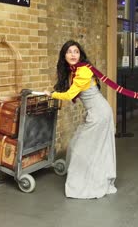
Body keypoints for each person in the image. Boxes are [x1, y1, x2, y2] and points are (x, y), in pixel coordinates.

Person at [44, 40, 117, 199]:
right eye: (69, 52)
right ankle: (88, 178)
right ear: (64, 55)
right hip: (95, 112)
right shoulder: (73, 70)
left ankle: (88, 184)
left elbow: (70, 95)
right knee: (78, 144)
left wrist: (52, 95)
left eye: (76, 51)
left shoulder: (83, 70)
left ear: (80, 54)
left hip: (100, 114)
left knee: (82, 149)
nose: (73, 54)